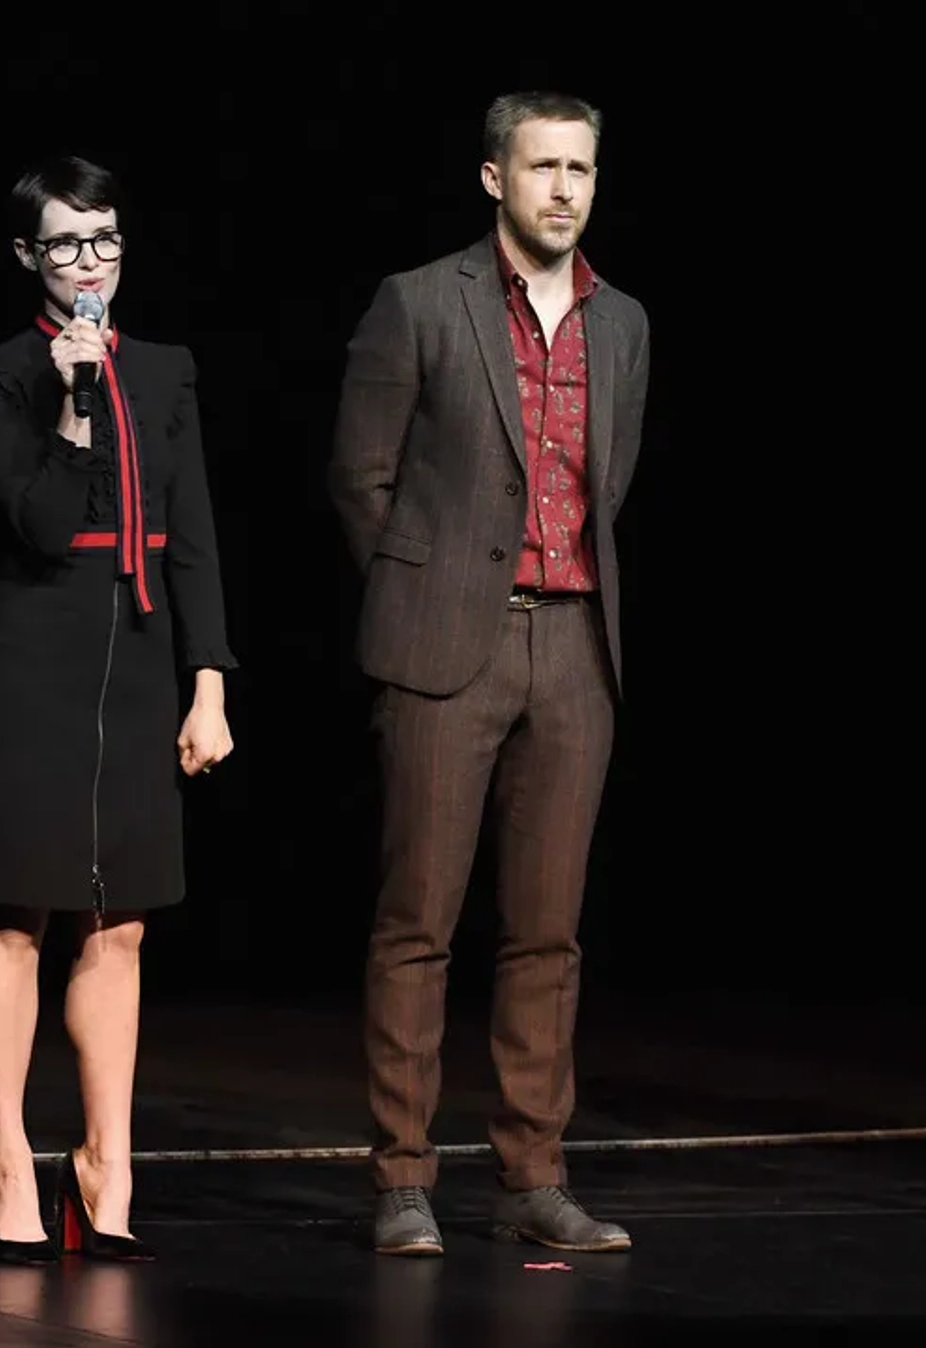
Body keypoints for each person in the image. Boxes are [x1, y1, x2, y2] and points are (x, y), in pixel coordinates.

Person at [328, 90, 650, 1256]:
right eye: (543, 167)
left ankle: (531, 1175)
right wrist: (427, 594)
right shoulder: (420, 301)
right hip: (444, 645)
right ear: (493, 179)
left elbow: (606, 488)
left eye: (581, 168)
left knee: (549, 933)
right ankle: (403, 1181)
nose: (564, 188)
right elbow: (361, 478)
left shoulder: (625, 325)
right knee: (418, 923)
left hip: (575, 646)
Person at [0, 155, 237, 1264]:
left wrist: (210, 679)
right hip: (36, 652)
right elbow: (44, 524)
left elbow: (194, 530)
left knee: (123, 921)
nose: (90, 262)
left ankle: (106, 1163)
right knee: (16, 913)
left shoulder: (165, 371)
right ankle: (10, 1160)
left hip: (145, 651)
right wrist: (67, 400)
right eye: (66, 244)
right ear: (28, 255)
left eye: (104, 239)